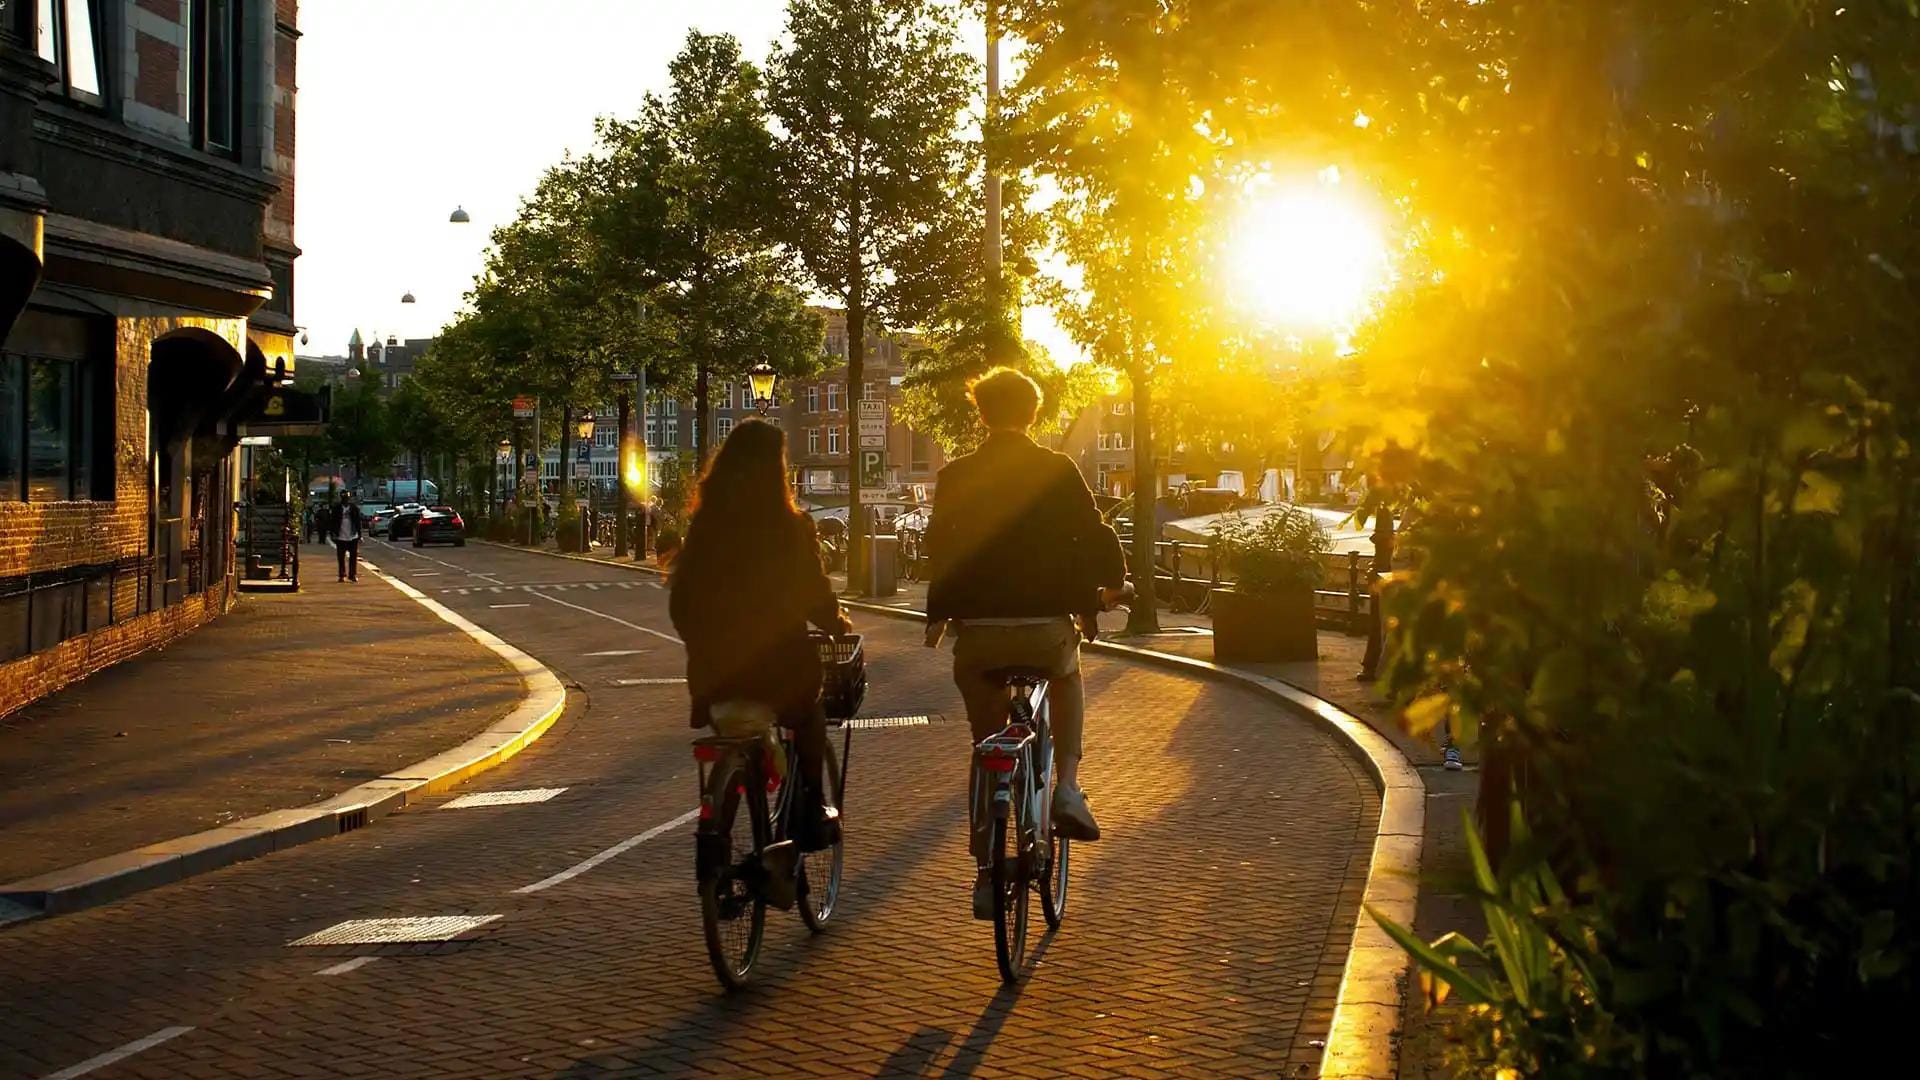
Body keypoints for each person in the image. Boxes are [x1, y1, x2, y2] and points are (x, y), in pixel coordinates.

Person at [923, 367, 1128, 916]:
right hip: (1044, 625)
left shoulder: (955, 474)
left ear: (981, 412)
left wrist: (938, 614)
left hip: (980, 634)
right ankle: (1067, 786)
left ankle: (986, 868)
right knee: (1067, 674)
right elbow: (1093, 531)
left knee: (986, 742)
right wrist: (1106, 590)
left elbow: (939, 545)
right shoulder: (1057, 469)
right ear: (1033, 413)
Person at [668, 419, 851, 849]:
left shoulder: (704, 528)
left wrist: (703, 645)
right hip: (779, 674)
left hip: (716, 678)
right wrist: (836, 622)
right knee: (810, 713)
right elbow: (814, 593)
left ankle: (716, 846)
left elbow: (681, 603)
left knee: (731, 745)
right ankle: (810, 807)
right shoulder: (792, 527)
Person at [328, 493, 364, 582]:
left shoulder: (354, 508)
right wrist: (332, 533)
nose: (346, 500)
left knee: (353, 557)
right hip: (340, 536)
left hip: (353, 536)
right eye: (344, 498)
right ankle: (342, 574)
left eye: (347, 498)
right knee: (341, 557)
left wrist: (360, 535)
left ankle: (352, 575)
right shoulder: (336, 509)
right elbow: (332, 522)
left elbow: (358, 522)